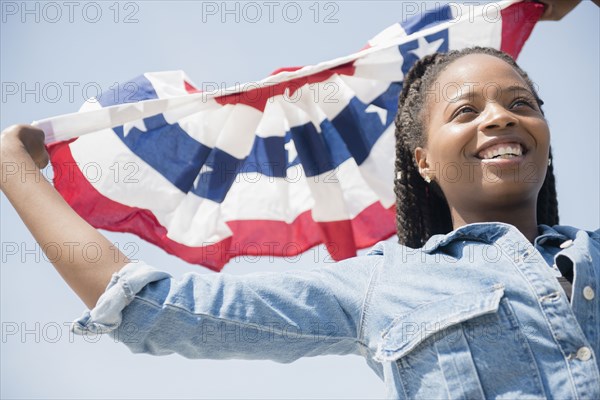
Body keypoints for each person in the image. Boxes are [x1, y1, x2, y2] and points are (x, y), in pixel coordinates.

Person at [1, 2, 598, 399]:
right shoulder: (379, 286)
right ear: (421, 160)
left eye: (521, 104)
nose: (499, 119)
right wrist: (15, 172)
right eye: (466, 111)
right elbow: (149, 309)